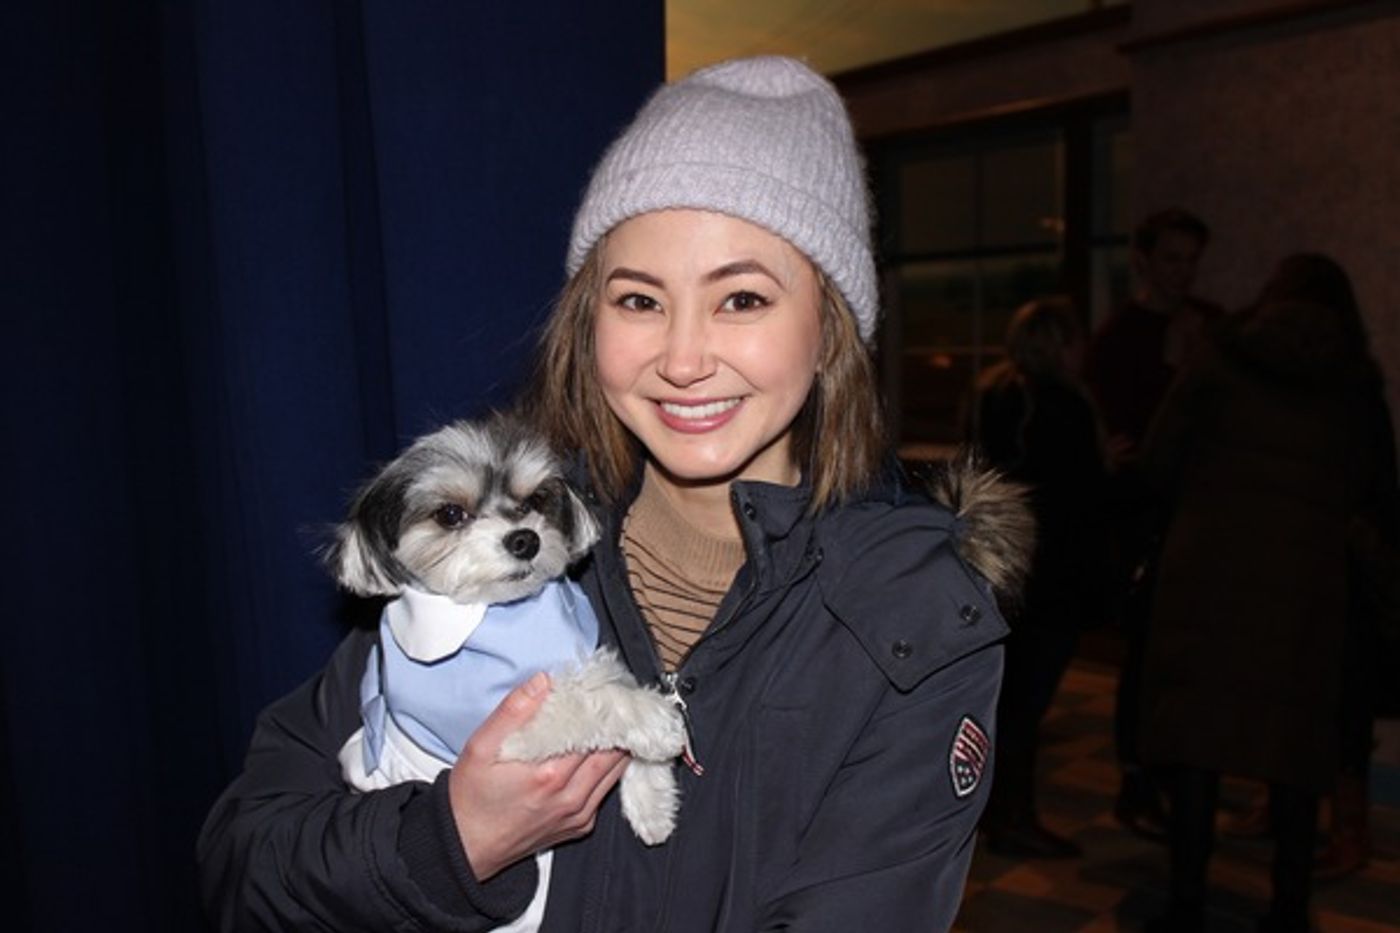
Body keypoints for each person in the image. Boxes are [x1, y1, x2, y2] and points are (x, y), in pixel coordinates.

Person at [198, 55, 1027, 931]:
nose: (681, 356)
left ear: (829, 329)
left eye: (741, 298)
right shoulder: (492, 543)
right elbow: (243, 863)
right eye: (638, 299)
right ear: (589, 321)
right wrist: (450, 842)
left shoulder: (916, 615)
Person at [1135, 254, 1393, 932]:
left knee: (1200, 740)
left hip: (1209, 579)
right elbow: (1376, 490)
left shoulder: (1219, 359)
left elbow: (1161, 461)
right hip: (1305, 589)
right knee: (1297, 750)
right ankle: (1288, 907)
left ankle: (1186, 903)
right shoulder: (1354, 382)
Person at [1082, 208, 1222, 839]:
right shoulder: (1117, 340)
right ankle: (1139, 780)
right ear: (1142, 262)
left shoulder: (1213, 326)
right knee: (1145, 659)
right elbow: (1127, 444)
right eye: (1172, 259)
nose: (1184, 273)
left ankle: (1179, 778)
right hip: (1145, 522)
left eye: (1191, 260)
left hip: (1210, 518)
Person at [969, 297, 1110, 859]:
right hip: (1050, 574)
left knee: (1003, 701)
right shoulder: (1060, 406)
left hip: (998, 564)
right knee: (1025, 707)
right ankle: (1013, 817)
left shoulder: (992, 393)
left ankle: (991, 811)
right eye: (1076, 340)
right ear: (1058, 345)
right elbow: (1078, 498)